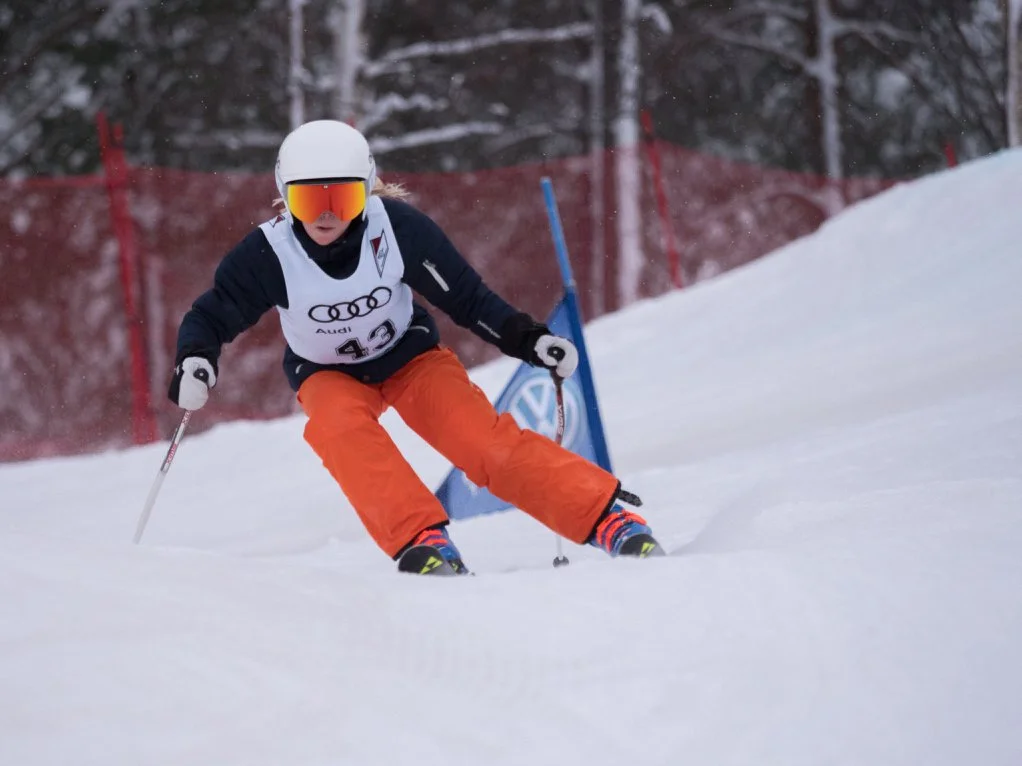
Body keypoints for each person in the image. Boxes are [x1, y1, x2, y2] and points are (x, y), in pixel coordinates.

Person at [168, 119, 662, 575]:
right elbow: (211, 314)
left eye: (341, 200)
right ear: (284, 195)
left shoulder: (398, 230)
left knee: (480, 441)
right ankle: (422, 540)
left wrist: (530, 340)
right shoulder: (269, 254)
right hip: (327, 372)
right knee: (340, 430)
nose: (326, 215)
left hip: (411, 358)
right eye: (309, 201)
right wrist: (195, 360)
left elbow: (466, 297)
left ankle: (607, 519)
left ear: (366, 190)